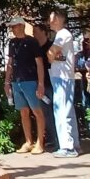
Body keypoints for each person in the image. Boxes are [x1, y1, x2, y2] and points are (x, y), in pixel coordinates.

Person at [3, 17, 48, 155]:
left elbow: (39, 63)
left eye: (14, 26)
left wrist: (40, 84)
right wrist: (7, 82)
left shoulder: (32, 42)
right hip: (17, 81)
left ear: (21, 26)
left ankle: (40, 142)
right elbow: (10, 62)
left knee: (37, 111)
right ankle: (29, 141)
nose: (12, 29)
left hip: (30, 80)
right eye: (11, 27)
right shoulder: (12, 43)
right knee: (23, 112)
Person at [47, 9, 80, 158]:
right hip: (63, 76)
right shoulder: (62, 35)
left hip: (62, 77)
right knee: (67, 109)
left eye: (52, 19)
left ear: (59, 19)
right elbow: (56, 56)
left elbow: (51, 54)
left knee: (61, 110)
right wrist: (54, 56)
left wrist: (53, 56)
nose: (50, 22)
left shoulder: (62, 34)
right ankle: (74, 144)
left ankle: (67, 147)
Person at [31, 23, 58, 151]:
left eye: (35, 31)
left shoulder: (51, 46)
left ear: (43, 32)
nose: (33, 34)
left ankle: (58, 139)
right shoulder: (35, 48)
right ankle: (53, 139)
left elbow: (60, 60)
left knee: (54, 111)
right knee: (45, 113)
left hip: (52, 83)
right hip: (41, 84)